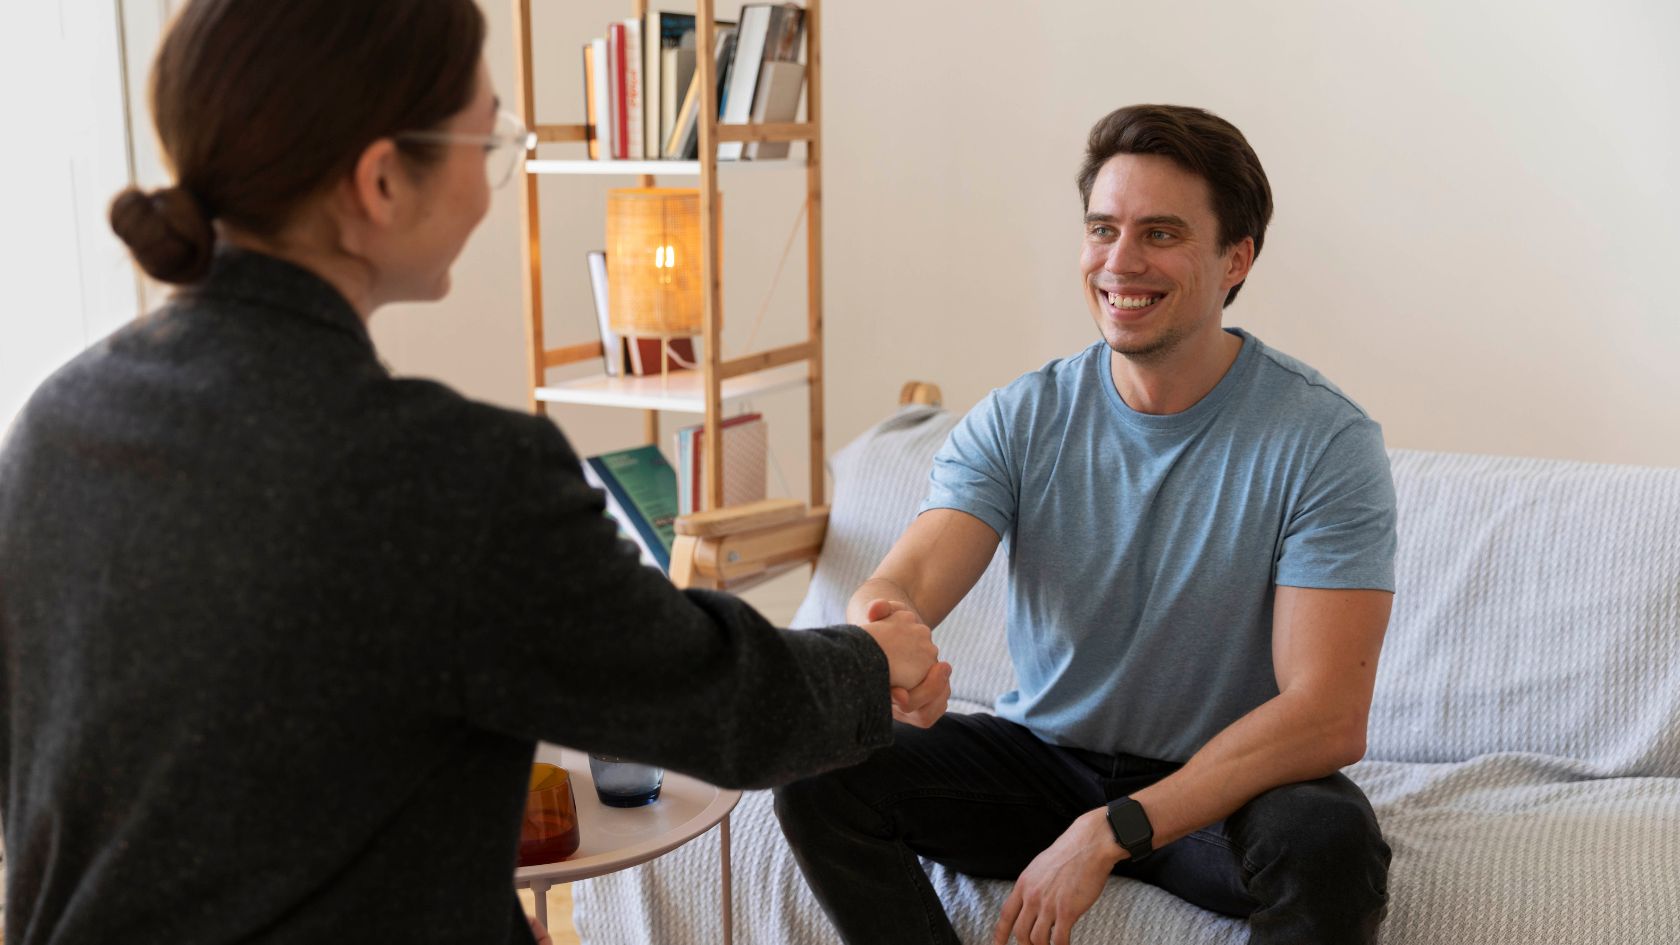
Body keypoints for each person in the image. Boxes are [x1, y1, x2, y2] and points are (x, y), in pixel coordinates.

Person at [0, 2, 946, 943]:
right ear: (380, 181)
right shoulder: (448, 478)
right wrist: (873, 663)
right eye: (485, 136)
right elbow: (722, 700)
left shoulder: (56, 421)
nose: (495, 176)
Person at [773, 104, 1398, 945]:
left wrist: (1112, 829)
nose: (1120, 261)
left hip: (1221, 786)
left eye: (1161, 234)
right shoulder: (1023, 416)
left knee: (1330, 842)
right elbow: (907, 581)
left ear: (1235, 259)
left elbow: (1326, 714)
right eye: (1103, 228)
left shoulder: (1325, 440)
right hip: (1042, 761)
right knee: (818, 763)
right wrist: (884, 631)